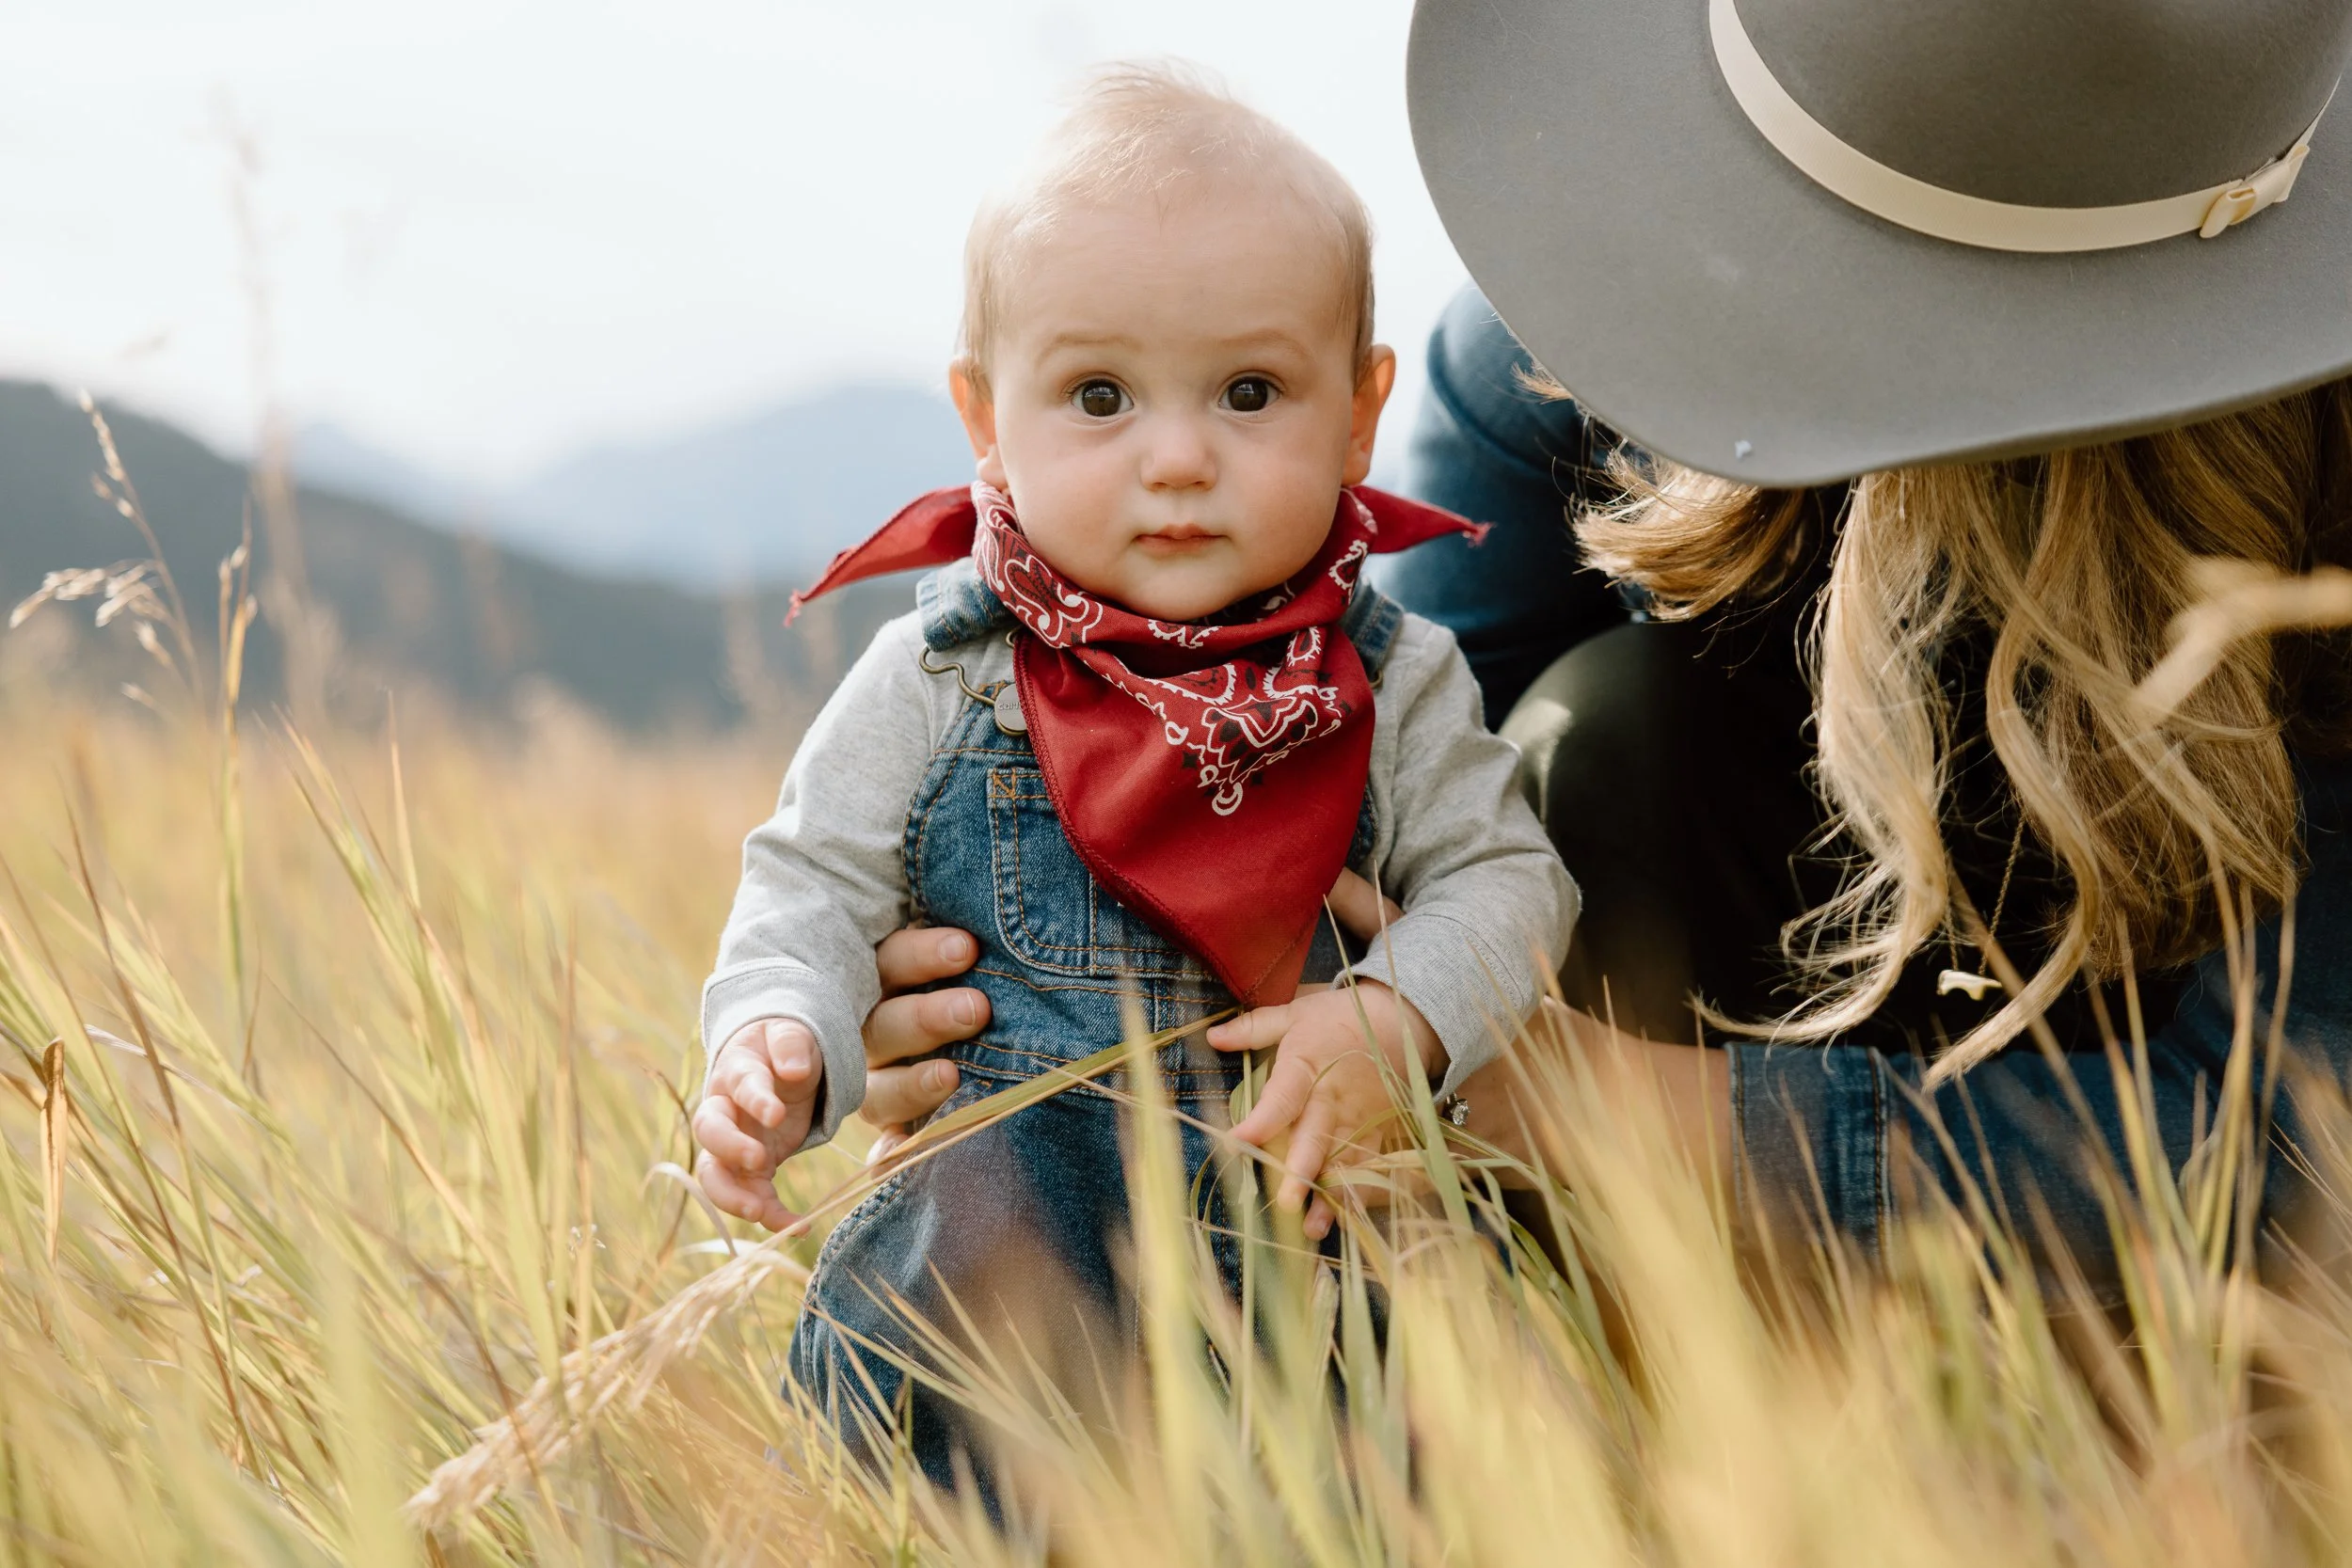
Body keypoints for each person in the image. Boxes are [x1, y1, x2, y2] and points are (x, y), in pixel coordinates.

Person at [843, 0, 2352, 1285]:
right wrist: (1035, 981)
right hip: (1717, 1076)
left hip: (2208, 1211)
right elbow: (1348, 836)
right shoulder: (1555, 370)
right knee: (1581, 732)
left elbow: (2308, 1163)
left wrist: (1597, 1113)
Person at [689, 66, 1573, 1484]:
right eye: (1099, 395)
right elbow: (809, 881)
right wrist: (780, 1037)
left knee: (1424, 1404)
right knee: (962, 1351)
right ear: (986, 421)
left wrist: (1401, 1013)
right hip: (1014, 1236)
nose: (1176, 457)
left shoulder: (1390, 679)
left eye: (1248, 391)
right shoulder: (938, 675)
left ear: (1359, 415)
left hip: (1313, 1215)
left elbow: (1508, 877)